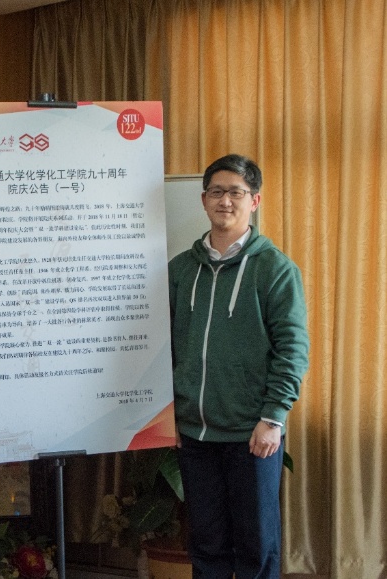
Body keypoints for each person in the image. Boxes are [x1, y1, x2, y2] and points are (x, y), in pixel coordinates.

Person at [168, 154, 309, 578]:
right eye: (216, 191)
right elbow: (162, 348)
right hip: (195, 433)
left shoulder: (275, 268)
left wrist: (273, 417)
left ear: (254, 201)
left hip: (253, 433)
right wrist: (168, 415)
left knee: (257, 544)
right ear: (203, 199)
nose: (224, 201)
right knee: (206, 545)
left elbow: (292, 348)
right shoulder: (180, 270)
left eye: (236, 192)